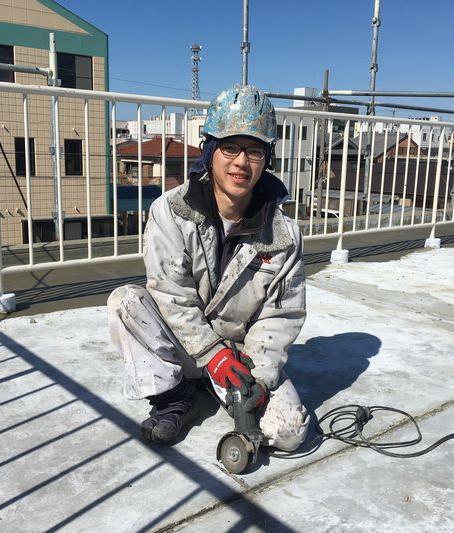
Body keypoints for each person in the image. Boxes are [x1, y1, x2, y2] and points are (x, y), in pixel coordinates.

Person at [107, 84, 309, 452]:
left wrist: (259, 377)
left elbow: (282, 314)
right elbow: (170, 292)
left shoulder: (284, 234)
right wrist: (208, 353)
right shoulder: (171, 211)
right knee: (126, 302)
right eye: (230, 147)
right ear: (211, 150)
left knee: (289, 433)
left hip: (239, 354)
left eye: (255, 150)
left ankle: (222, 391)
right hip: (186, 343)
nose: (241, 163)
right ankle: (174, 396)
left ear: (268, 158)